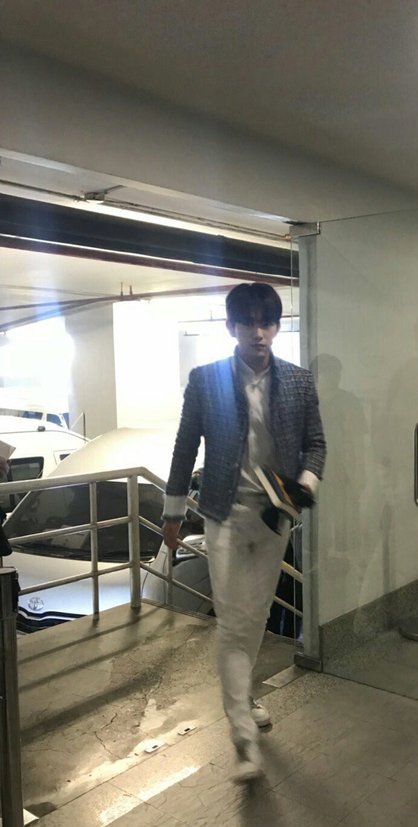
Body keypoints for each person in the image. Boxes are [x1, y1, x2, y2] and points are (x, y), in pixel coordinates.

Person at [162, 283, 326, 782]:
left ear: (276, 326)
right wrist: (172, 513)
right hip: (224, 514)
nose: (259, 332)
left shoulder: (298, 381)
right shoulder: (206, 379)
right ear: (231, 326)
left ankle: (244, 697)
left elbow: (316, 444)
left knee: (253, 617)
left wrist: (305, 484)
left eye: (268, 322)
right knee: (234, 621)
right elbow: (185, 446)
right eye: (249, 322)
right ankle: (243, 736)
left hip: (275, 516)